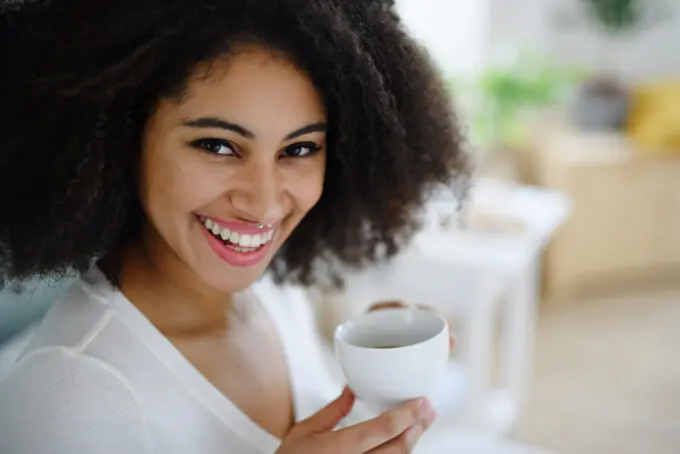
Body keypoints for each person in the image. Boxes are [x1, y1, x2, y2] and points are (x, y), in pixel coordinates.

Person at [0, 0, 468, 452]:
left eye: (299, 149)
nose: (264, 204)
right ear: (122, 138)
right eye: (218, 146)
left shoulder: (273, 291)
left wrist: (372, 379)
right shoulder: (69, 397)